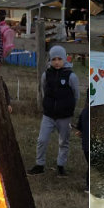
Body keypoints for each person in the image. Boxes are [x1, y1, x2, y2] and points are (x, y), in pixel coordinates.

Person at [28, 45, 79, 177]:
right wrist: (48, 105)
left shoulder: (71, 76)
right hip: (49, 115)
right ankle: (39, 164)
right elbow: (44, 90)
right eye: (54, 59)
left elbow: (76, 94)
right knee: (42, 140)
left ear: (64, 59)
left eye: (59, 59)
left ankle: (61, 165)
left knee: (63, 141)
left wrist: (69, 107)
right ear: (50, 60)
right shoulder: (46, 75)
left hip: (64, 116)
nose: (56, 62)